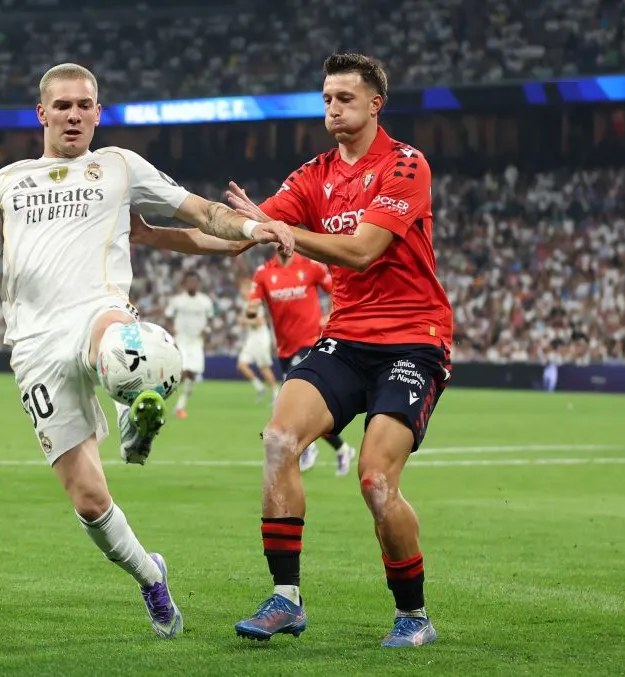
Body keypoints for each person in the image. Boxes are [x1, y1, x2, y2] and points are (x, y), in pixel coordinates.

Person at [0, 62, 295, 639]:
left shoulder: (118, 166)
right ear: (42, 113)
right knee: (89, 500)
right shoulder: (7, 182)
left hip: (99, 310)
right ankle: (150, 576)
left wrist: (252, 228)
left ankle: (136, 411)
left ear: (98, 112)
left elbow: (200, 211)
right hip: (34, 344)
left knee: (127, 341)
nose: (74, 115)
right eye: (63, 106)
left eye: (84, 105)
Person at [225, 53, 453, 648]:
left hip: (413, 340)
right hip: (346, 338)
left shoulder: (406, 164)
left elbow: (362, 250)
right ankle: (286, 598)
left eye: (344, 98)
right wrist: (152, 230)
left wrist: (284, 233)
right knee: (279, 439)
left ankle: (413, 615)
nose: (332, 108)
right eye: (326, 99)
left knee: (375, 480)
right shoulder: (313, 175)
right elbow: (239, 231)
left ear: (375, 104)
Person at [246, 250, 357, 475]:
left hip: (310, 343)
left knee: (291, 402)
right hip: (284, 348)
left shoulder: (311, 266)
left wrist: (331, 315)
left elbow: (339, 290)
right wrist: (252, 309)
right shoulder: (263, 273)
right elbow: (252, 305)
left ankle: (307, 448)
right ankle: (343, 449)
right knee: (310, 409)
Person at [164, 271, 215, 419]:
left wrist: (207, 331)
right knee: (182, 371)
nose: (192, 284)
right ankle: (162, 397)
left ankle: (180, 405)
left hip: (196, 341)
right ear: (185, 284)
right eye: (189, 281)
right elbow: (168, 316)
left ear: (198, 284)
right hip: (182, 340)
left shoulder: (205, 301)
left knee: (192, 373)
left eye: (194, 281)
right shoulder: (178, 301)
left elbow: (210, 319)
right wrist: (170, 330)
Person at [235, 279, 280, 405]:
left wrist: (245, 321)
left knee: (264, 367)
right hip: (251, 338)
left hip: (260, 339)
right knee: (241, 365)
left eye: (243, 289)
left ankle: (276, 393)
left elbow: (260, 322)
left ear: (249, 290)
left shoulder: (255, 303)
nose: (241, 292)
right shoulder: (246, 305)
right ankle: (260, 387)